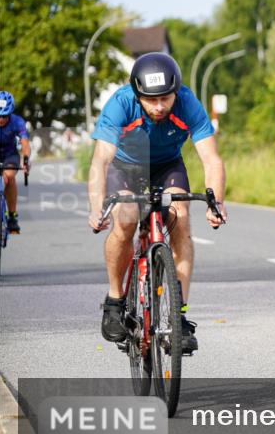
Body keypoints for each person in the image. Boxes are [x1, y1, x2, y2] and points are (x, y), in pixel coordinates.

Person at [87, 52, 228, 352]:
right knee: (124, 221)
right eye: (152, 100)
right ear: (137, 95)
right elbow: (100, 160)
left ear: (176, 91)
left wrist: (216, 202)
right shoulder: (120, 104)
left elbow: (211, 159)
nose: (160, 106)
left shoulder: (189, 103)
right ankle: (114, 300)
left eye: (166, 98)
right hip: (124, 166)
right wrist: (97, 206)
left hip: (167, 165)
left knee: (181, 218)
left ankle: (179, 316)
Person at [0, 91, 31, 234]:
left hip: (9, 155)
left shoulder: (17, 122)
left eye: (4, 116)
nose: (0, 119)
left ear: (10, 113)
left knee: (8, 176)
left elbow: (24, 143)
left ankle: (12, 216)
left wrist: (25, 160)